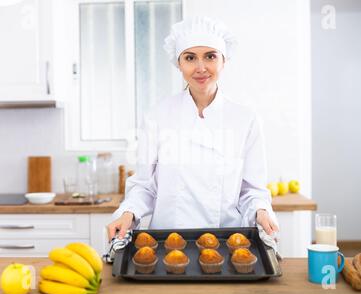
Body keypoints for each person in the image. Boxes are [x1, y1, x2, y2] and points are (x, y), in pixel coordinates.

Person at [107, 16, 279, 241]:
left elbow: (252, 190)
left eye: (210, 56)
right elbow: (144, 186)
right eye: (190, 58)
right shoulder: (157, 117)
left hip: (227, 241)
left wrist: (261, 211)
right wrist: (127, 213)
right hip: (166, 240)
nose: (200, 68)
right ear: (179, 63)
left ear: (224, 60)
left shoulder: (245, 119)